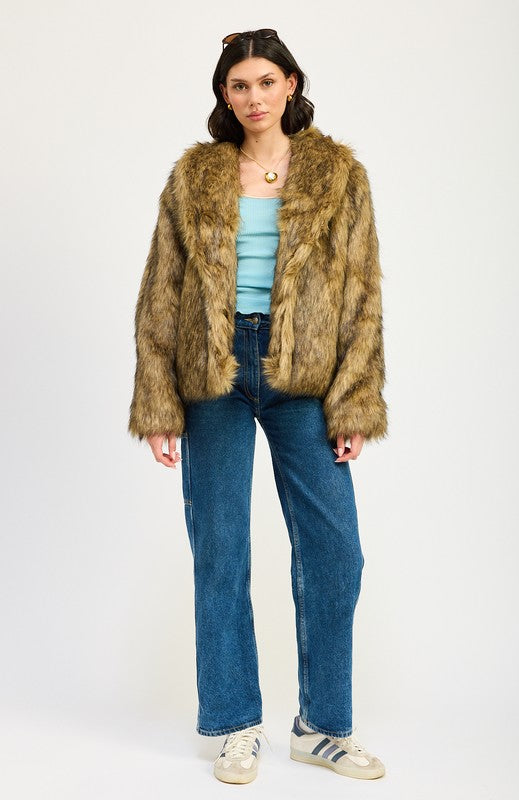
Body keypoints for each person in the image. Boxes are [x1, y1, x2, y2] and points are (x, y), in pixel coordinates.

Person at [128, 28, 388, 785]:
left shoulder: (337, 174)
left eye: (265, 82)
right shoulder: (196, 175)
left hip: (303, 370)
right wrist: (157, 400)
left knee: (335, 551)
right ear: (224, 93)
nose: (252, 97)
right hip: (212, 369)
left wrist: (354, 399)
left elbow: (362, 291)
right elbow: (161, 288)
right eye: (238, 85)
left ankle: (322, 727)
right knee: (221, 548)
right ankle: (236, 724)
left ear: (290, 84)